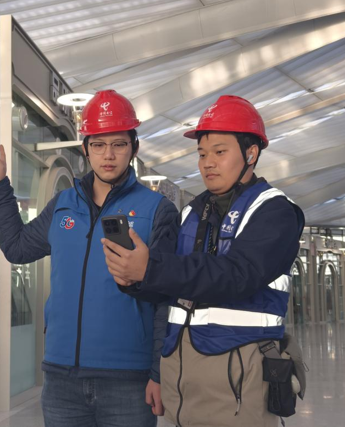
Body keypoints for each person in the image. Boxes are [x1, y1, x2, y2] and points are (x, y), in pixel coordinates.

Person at [102, 95, 305, 427]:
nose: (207, 163)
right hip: (182, 381)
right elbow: (168, 285)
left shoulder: (275, 211)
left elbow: (237, 275)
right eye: (201, 154)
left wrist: (150, 268)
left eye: (219, 152)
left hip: (241, 380)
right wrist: (134, 279)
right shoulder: (192, 212)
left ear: (251, 153)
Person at [0, 90, 178, 427]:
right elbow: (17, 247)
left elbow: (166, 299)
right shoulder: (63, 205)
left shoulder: (157, 210)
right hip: (61, 378)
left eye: (119, 144)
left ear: (134, 147)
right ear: (85, 148)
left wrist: (159, 373)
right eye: (98, 145)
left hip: (129, 379)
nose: (108, 155)